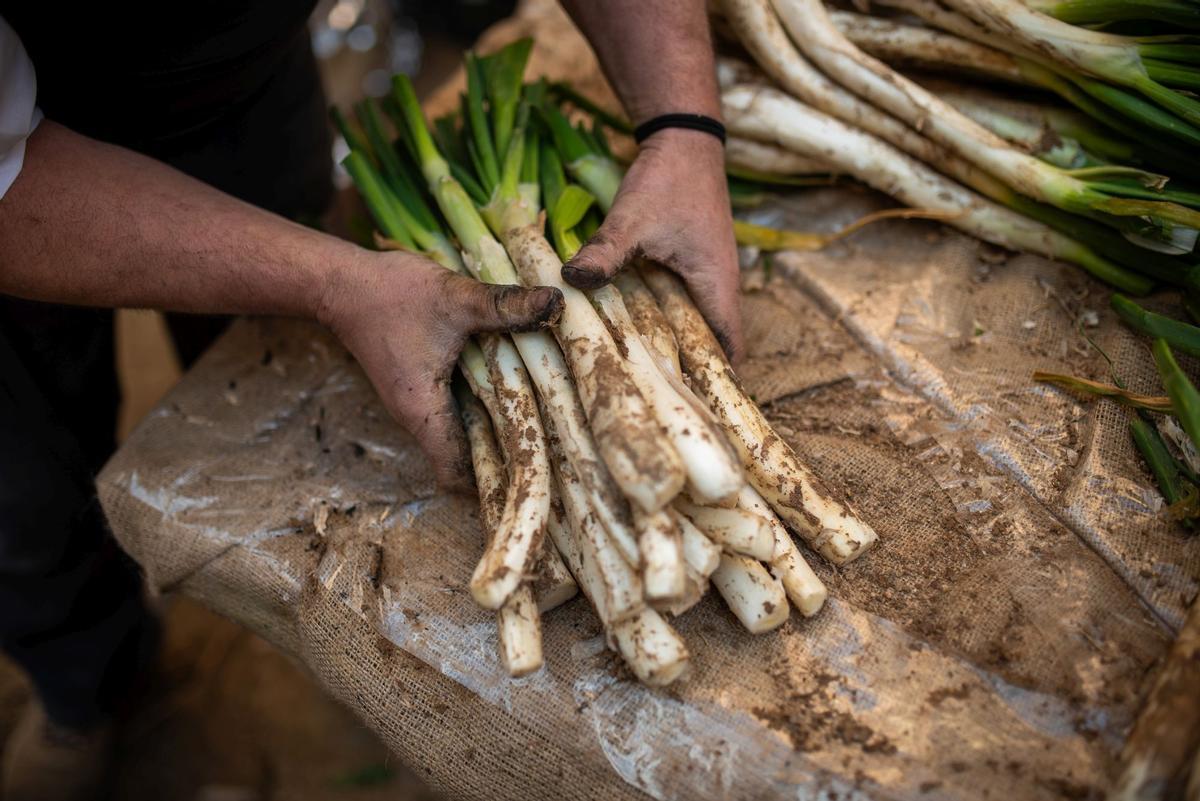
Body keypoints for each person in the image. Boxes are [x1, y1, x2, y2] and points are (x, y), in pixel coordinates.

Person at [0, 2, 740, 798]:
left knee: (262, 394)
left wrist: (682, 127)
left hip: (238, 91)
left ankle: (306, 652)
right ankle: (83, 684)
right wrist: (335, 281)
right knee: (23, 496)